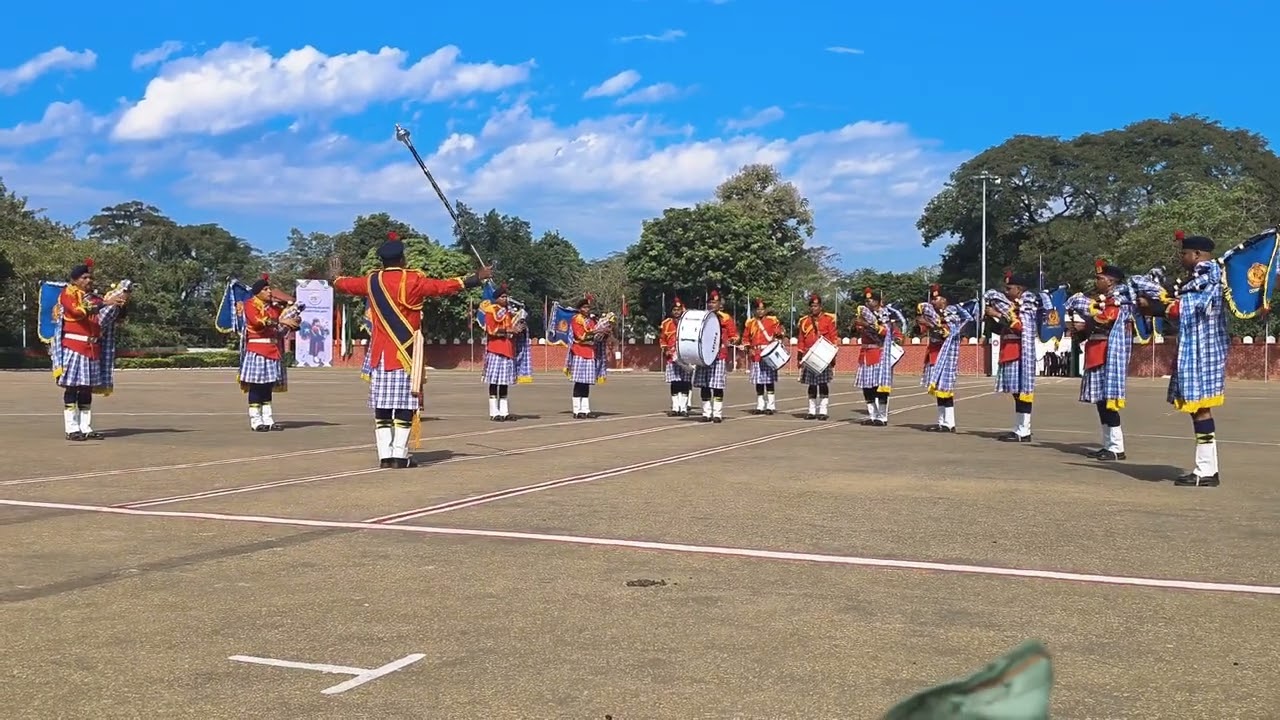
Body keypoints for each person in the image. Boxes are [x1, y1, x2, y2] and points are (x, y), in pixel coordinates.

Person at [333, 233, 491, 467]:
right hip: (405, 354)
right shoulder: (413, 280)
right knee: (405, 404)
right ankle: (400, 454)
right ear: (402, 259)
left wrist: (335, 277)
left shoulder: (372, 281)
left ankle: (385, 456)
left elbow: (344, 284)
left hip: (380, 355)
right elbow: (442, 287)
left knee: (382, 406)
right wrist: (475, 278)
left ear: (383, 261)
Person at [1142, 232, 1229, 487]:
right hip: (1196, 347)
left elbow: (1189, 306)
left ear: (1197, 254)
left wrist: (1156, 307)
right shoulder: (1201, 277)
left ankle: (1206, 471)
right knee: (1197, 409)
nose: (1182, 258)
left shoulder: (1209, 276)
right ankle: (1207, 468)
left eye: (1184, 253)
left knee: (1201, 408)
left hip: (1203, 349)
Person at [53, 258, 125, 441]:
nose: (88, 280)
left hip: (92, 348)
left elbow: (109, 318)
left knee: (86, 389)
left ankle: (85, 427)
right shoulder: (68, 294)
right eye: (84, 277)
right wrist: (106, 303)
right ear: (74, 280)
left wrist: (120, 301)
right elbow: (79, 311)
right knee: (72, 388)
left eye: (90, 277)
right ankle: (71, 428)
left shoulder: (95, 298)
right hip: (74, 347)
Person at [1074, 260, 1133, 461]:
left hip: (1108, 354)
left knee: (1109, 401)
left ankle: (1116, 447)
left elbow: (1107, 319)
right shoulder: (1104, 299)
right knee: (1100, 401)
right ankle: (1108, 444)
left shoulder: (1118, 299)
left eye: (1100, 278)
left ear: (1111, 281)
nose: (1096, 281)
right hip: (1097, 352)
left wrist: (1086, 324)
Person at [238, 274, 298, 432]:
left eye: (269, 288)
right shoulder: (250, 304)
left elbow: (279, 329)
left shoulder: (274, 308)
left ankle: (268, 419)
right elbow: (258, 321)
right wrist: (282, 321)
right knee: (256, 386)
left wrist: (291, 323)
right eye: (265, 289)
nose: (269, 291)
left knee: (267, 387)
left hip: (273, 351)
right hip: (257, 350)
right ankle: (256, 421)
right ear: (257, 292)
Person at [988, 271, 1040, 443]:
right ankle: (1020, 428)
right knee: (1016, 393)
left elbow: (1021, 327)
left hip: (1020, 351)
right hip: (1009, 349)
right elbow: (1002, 329)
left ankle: (1024, 430)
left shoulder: (1028, 303)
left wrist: (997, 314)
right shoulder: (1011, 305)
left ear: (1019, 289)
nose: (1006, 291)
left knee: (1022, 392)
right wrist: (990, 319)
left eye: (1009, 288)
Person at [921, 285, 972, 432]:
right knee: (938, 389)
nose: (933, 302)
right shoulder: (933, 314)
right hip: (935, 352)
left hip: (947, 353)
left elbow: (952, 330)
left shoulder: (953, 312)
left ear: (944, 300)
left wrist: (935, 326)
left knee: (945, 388)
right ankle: (942, 421)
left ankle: (949, 423)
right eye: (932, 299)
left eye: (936, 299)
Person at [693, 290, 739, 423]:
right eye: (710, 302)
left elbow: (734, 335)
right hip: (703, 356)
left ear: (720, 305)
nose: (712, 305)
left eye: (714, 302)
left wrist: (733, 340)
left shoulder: (726, 318)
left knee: (717, 386)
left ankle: (717, 414)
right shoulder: (702, 317)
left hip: (719, 355)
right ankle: (706, 413)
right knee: (704, 385)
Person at [854, 287, 896, 426]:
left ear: (878, 302)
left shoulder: (884, 314)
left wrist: (867, 324)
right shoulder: (863, 313)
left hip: (879, 353)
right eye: (866, 301)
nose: (868, 303)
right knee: (867, 387)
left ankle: (882, 416)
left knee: (880, 386)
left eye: (871, 300)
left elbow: (885, 332)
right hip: (865, 353)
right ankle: (873, 415)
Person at [795, 293, 837, 420]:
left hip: (823, 355)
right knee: (811, 384)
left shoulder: (828, 320)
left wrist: (832, 355)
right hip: (809, 355)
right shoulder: (804, 321)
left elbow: (833, 337)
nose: (814, 308)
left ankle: (823, 410)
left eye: (816, 306)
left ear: (821, 307)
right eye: (812, 306)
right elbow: (801, 339)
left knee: (823, 384)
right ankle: (811, 411)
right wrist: (800, 355)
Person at [482, 284, 519, 422]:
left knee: (504, 382)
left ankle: (504, 412)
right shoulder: (491, 310)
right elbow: (491, 330)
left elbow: (510, 329)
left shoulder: (508, 312)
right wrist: (508, 331)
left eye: (506, 297)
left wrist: (518, 329)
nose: (505, 299)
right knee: (494, 382)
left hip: (507, 349)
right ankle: (494, 412)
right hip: (495, 349)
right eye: (503, 297)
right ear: (496, 298)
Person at [741, 298, 784, 415]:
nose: (760, 311)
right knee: (758, 382)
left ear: (765, 310)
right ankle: (760, 406)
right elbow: (745, 338)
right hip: (756, 355)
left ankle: (771, 406)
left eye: (762, 309)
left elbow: (779, 333)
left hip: (768, 354)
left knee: (769, 381)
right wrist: (749, 348)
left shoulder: (772, 321)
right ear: (755, 310)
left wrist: (779, 333)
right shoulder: (750, 323)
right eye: (758, 309)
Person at [566, 295, 600, 419]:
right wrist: (594, 333)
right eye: (584, 307)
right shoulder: (577, 319)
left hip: (590, 353)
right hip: (579, 352)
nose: (587, 309)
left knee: (586, 383)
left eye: (588, 307)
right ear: (580, 308)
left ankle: (585, 409)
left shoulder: (591, 321)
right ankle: (577, 410)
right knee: (579, 382)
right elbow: (580, 335)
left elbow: (594, 333)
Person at [658, 297, 693, 416]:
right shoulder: (666, 323)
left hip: (685, 357)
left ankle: (683, 408)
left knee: (685, 382)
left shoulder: (688, 322)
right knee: (675, 382)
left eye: (678, 309)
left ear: (682, 310)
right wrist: (665, 349)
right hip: (671, 358)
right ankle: (675, 407)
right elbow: (662, 339)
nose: (676, 312)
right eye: (674, 310)